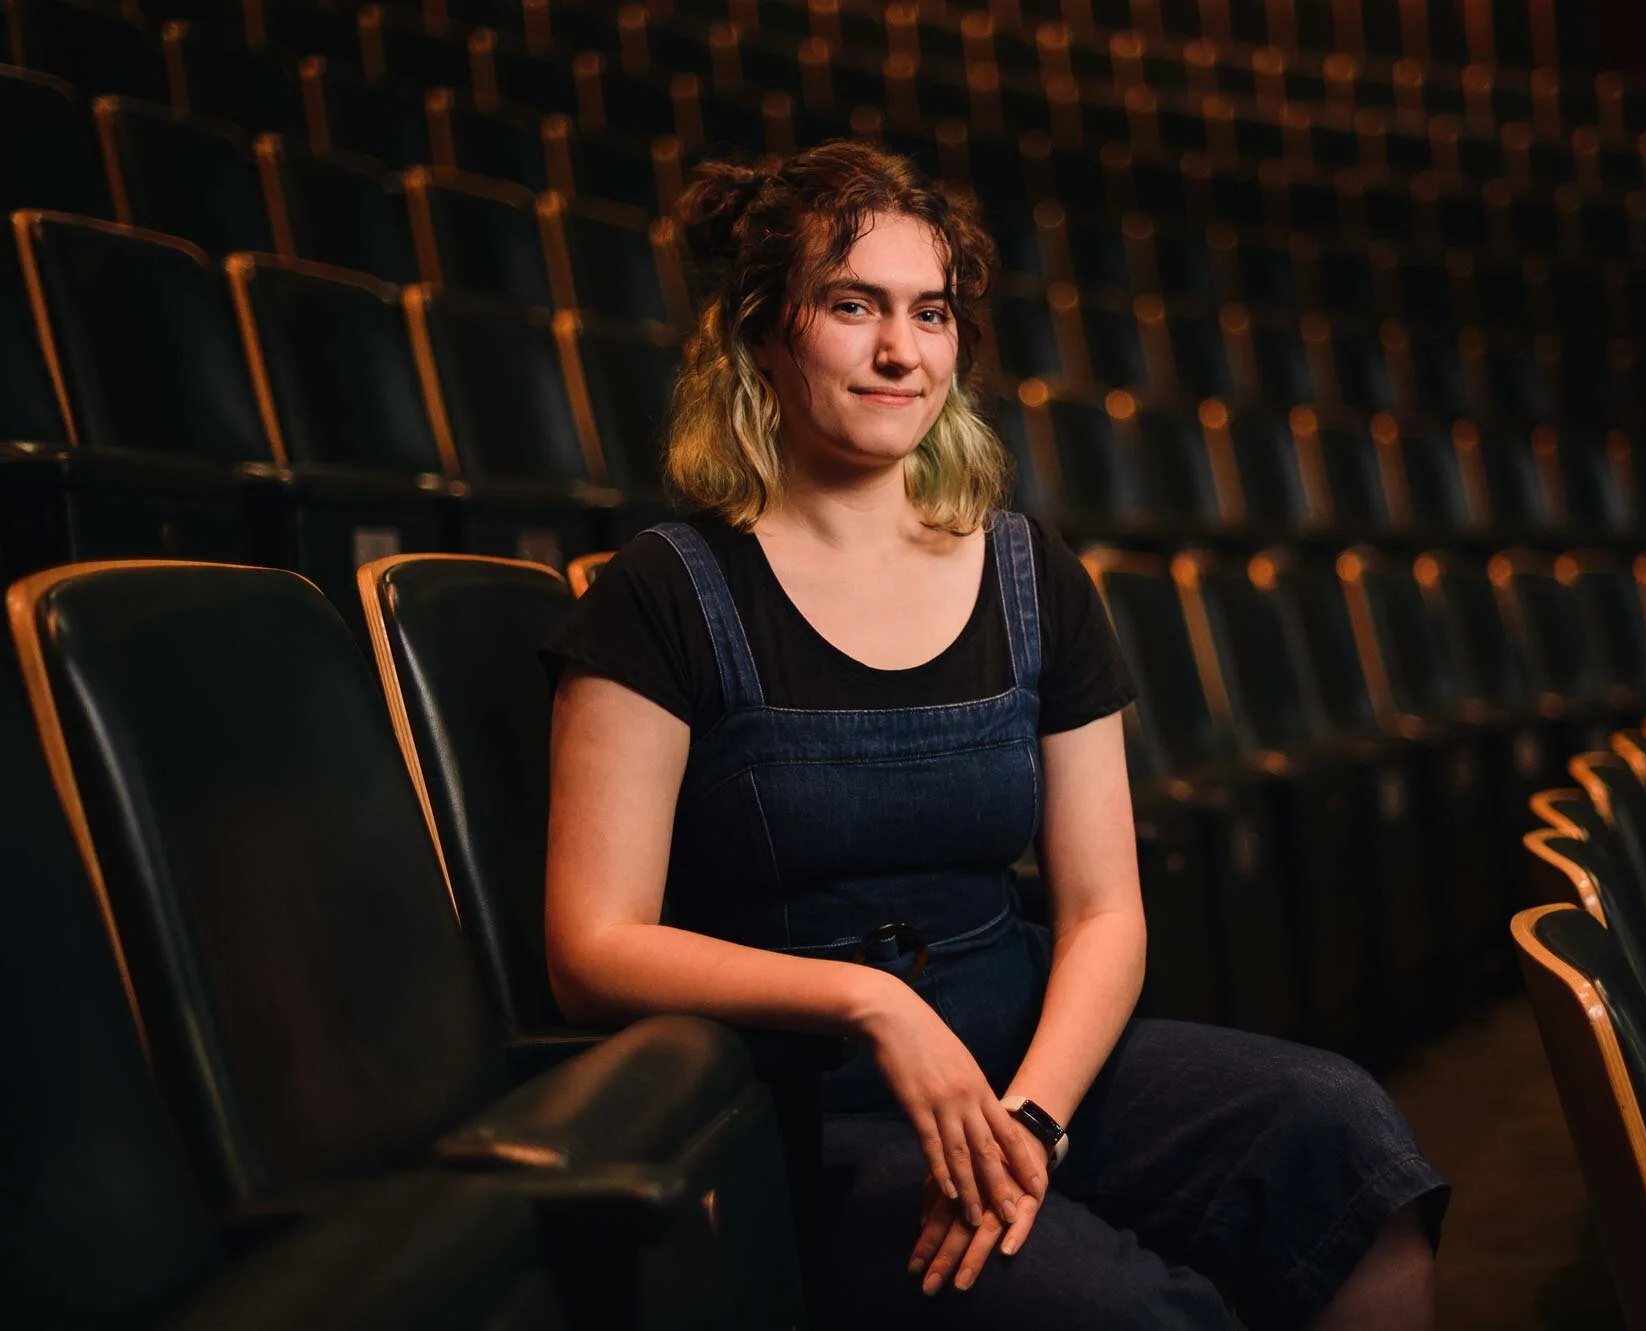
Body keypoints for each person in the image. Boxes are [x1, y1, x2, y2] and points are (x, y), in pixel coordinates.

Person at [540, 140, 1447, 1330]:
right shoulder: (663, 590)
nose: (898, 351)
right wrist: (871, 1003)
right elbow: (591, 943)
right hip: (812, 1109)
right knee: (1121, 1311)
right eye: (851, 305)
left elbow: (1103, 912)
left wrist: (1031, 1117)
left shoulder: (1032, 572)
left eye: (930, 312)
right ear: (764, 335)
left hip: (1033, 1063)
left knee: (1347, 1144)